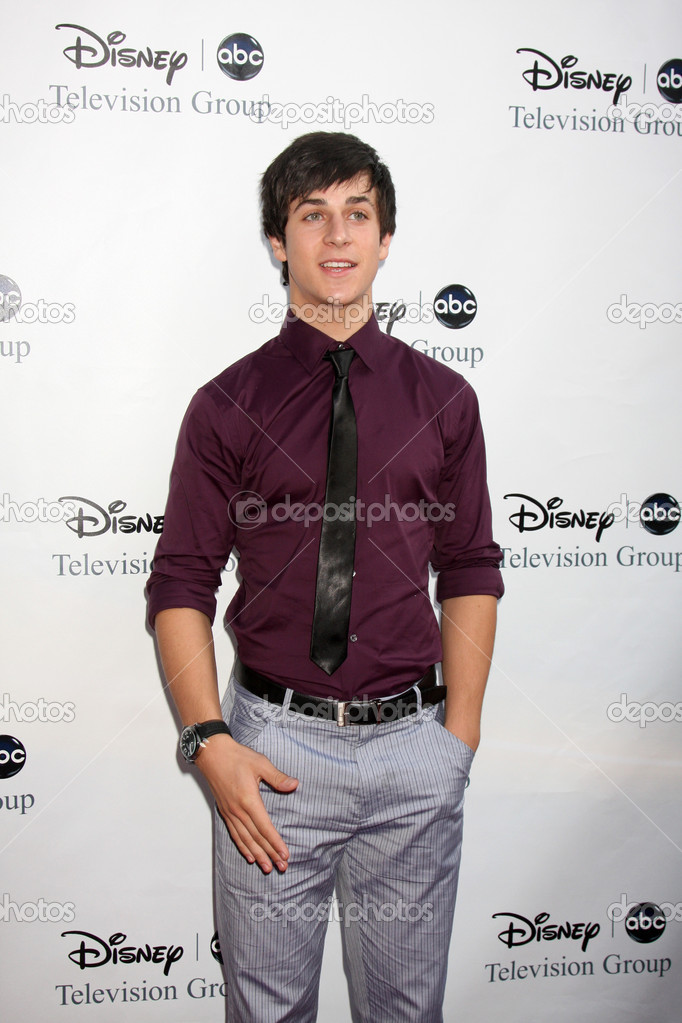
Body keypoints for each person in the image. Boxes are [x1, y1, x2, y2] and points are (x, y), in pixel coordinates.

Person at [146, 131, 504, 1023]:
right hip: (271, 754)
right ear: (279, 240)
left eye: (357, 213)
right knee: (267, 1012)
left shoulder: (446, 401)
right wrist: (209, 740)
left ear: (386, 239)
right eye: (312, 216)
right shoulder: (226, 405)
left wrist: (456, 739)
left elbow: (469, 566)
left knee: (406, 1010)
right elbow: (182, 582)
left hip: (414, 750)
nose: (337, 235)